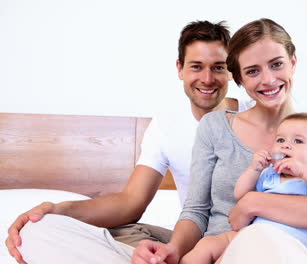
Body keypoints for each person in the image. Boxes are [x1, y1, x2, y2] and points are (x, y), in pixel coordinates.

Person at [5, 20, 255, 264]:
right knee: (40, 232)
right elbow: (131, 203)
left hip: (240, 240)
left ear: (231, 70)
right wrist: (59, 210)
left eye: (218, 67)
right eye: (196, 66)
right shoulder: (166, 125)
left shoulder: (255, 115)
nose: (207, 78)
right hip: (188, 238)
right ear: (179, 68)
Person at [131, 18, 307, 264]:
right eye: (252, 71)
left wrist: (255, 203)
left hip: (287, 251)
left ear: (293, 62)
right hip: (222, 248)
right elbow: (196, 210)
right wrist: (174, 248)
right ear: (239, 79)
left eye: (277, 64)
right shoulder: (215, 127)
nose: (268, 80)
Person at [180, 112, 307, 264]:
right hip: (250, 234)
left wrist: (304, 171)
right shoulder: (271, 173)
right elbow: (241, 195)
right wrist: (254, 170)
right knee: (207, 244)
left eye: (298, 141)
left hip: (285, 246)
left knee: (234, 256)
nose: (286, 145)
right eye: (280, 140)